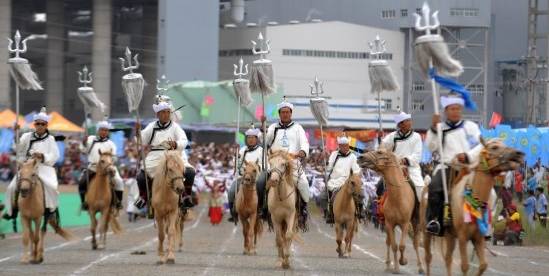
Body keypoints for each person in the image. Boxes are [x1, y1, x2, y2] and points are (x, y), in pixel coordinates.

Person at [425, 93, 483, 236]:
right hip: (447, 166)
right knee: (434, 187)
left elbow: (481, 145)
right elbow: (431, 146)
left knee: (490, 193)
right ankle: (435, 221)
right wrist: (433, 127)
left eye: (458, 109)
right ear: (445, 111)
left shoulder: (471, 127)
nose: (455, 111)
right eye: (452, 109)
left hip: (468, 167)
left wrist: (468, 156)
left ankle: (483, 225)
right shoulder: (439, 128)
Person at [134, 98, 196, 215]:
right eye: (163, 112)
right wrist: (137, 133)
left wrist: (176, 144)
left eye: (168, 112)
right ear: (158, 114)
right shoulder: (151, 126)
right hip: (156, 156)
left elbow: (184, 140)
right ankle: (144, 196)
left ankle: (186, 196)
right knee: (141, 177)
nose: (166, 115)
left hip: (173, 154)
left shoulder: (175, 127)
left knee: (190, 172)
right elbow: (141, 140)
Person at [2, 107, 60, 221]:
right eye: (37, 124)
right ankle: (12, 211)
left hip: (44, 167)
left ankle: (50, 210)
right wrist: (16, 135)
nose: (40, 126)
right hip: (28, 167)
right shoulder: (26, 136)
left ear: (46, 125)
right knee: (11, 187)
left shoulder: (51, 139)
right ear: (34, 124)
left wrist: (43, 156)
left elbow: (55, 155)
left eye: (42, 124)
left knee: (52, 187)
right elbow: (17, 149)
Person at [265, 98, 310, 227]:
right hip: (275, 163)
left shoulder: (298, 128)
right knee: (261, 181)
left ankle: (303, 210)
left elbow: (304, 144)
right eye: (283, 112)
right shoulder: (273, 127)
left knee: (304, 184)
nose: (285, 114)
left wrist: (301, 152)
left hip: (292, 163)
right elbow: (266, 141)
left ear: (291, 113)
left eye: (287, 112)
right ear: (279, 114)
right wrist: (263, 128)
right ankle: (264, 210)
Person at [78, 120, 124, 210]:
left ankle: (119, 201)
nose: (104, 132)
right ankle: (84, 202)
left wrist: (109, 163)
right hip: (93, 167)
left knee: (119, 181)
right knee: (82, 182)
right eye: (102, 130)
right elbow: (83, 150)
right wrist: (84, 143)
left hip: (108, 167)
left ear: (108, 132)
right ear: (98, 130)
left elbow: (114, 157)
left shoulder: (111, 144)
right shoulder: (91, 139)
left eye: (106, 130)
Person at [381, 112, 424, 199]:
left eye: (409, 120)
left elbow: (417, 155)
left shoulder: (416, 136)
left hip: (411, 168)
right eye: (407, 121)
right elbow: (383, 147)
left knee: (420, 188)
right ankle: (378, 209)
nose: (410, 123)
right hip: (395, 168)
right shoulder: (392, 136)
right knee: (379, 187)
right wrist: (381, 145)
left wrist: (404, 160)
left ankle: (420, 209)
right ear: (401, 124)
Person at [227, 125, 264, 222]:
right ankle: (233, 213)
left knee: (262, 187)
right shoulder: (242, 150)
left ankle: (262, 209)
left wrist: (256, 169)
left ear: (256, 139)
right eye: (248, 138)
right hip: (243, 178)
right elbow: (236, 165)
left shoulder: (261, 151)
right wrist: (236, 156)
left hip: (257, 178)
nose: (250, 140)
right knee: (231, 191)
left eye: (252, 138)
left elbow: (265, 164)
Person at [324, 134, 362, 223]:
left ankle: (360, 212)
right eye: (343, 146)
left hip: (348, 181)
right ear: (339, 146)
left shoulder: (352, 156)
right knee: (323, 196)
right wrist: (326, 164)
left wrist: (355, 178)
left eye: (347, 146)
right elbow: (329, 167)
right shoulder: (334, 154)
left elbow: (356, 170)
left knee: (361, 194)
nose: (346, 147)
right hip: (334, 181)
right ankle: (329, 213)